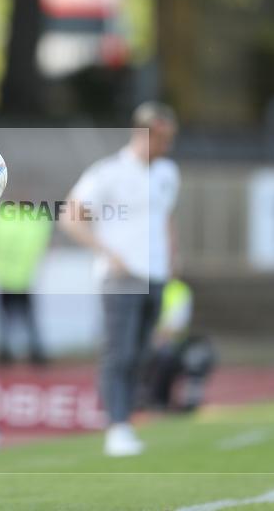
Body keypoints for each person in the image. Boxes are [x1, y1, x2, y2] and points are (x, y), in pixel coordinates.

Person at [59, 101, 179, 457]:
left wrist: (172, 255)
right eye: (162, 138)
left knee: (142, 354)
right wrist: (107, 252)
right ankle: (117, 425)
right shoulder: (108, 172)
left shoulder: (168, 173)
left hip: (156, 275)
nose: (167, 146)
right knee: (119, 352)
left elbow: (165, 217)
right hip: (121, 276)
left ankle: (126, 419)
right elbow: (70, 215)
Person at [0, 201, 52, 364]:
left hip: (4, 276)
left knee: (6, 319)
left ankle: (5, 352)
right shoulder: (33, 220)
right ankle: (35, 353)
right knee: (26, 318)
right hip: (23, 276)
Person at [143, 278, 215, 412]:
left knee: (199, 354)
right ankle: (148, 397)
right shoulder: (141, 286)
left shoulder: (178, 289)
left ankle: (184, 398)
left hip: (172, 346)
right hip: (146, 345)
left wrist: (159, 337)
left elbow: (178, 324)